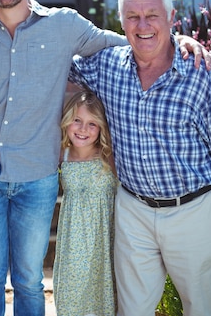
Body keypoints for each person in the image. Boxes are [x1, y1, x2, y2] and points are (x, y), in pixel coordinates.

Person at [0, 0, 211, 316]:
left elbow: (128, 44)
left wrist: (176, 41)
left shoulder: (64, 24)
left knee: (29, 279)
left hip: (37, 174)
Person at [69, 0, 211, 316]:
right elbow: (53, 66)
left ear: (172, 19)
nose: (143, 26)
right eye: (133, 17)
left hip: (193, 211)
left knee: (201, 308)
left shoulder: (200, 72)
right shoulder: (107, 66)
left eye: (152, 15)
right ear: (121, 22)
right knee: (132, 310)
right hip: (133, 210)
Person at [53, 90, 117, 316]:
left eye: (92, 124)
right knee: (73, 292)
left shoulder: (108, 156)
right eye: (77, 120)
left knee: (103, 293)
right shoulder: (62, 154)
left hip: (104, 236)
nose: (82, 129)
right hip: (73, 239)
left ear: (101, 128)